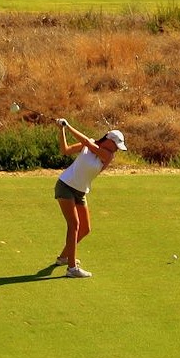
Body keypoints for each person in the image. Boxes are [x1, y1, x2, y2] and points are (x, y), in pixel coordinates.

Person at [53, 118, 126, 278]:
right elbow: (65, 150)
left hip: (80, 191)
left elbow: (87, 142)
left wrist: (69, 125)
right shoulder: (91, 144)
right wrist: (62, 129)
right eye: (116, 146)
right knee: (74, 225)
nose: (117, 150)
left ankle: (63, 257)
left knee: (85, 229)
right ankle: (71, 268)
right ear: (109, 140)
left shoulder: (107, 155)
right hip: (65, 185)